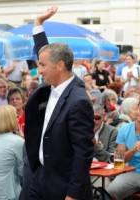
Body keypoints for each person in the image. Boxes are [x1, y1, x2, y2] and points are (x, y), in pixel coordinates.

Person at [24, 6, 94, 199]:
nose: (39, 70)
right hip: (41, 177)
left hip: (63, 186)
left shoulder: (78, 101)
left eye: (43, 66)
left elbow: (83, 153)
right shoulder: (52, 85)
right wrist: (38, 24)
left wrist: (73, 194)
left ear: (60, 66)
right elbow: (46, 53)